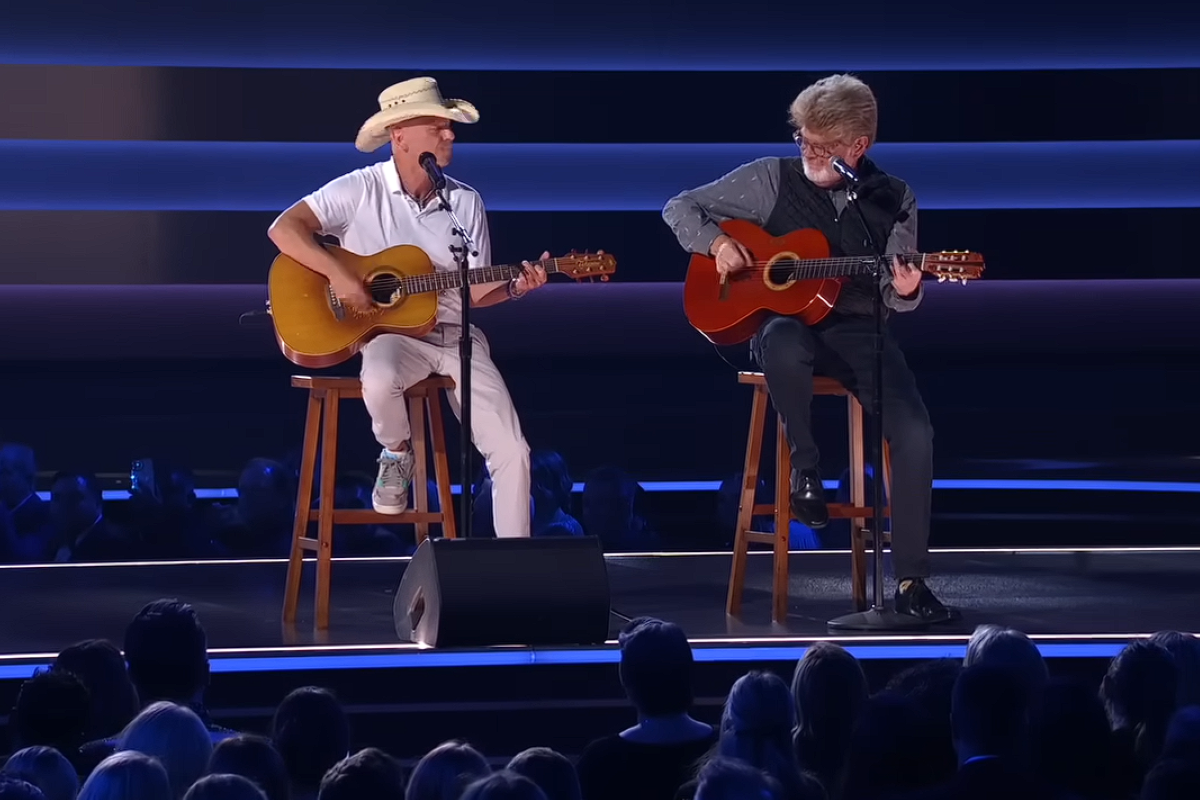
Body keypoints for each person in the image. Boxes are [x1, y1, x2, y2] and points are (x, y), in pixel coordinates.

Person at [662, 73, 956, 622]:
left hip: (860, 332)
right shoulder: (769, 180)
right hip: (786, 330)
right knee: (780, 339)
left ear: (857, 147)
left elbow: (895, 292)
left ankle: (912, 582)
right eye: (802, 139)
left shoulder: (894, 198)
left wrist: (909, 289)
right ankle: (805, 468)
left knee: (916, 430)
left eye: (819, 146)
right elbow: (679, 207)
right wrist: (719, 243)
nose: (806, 152)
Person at [268, 77, 545, 536]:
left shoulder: (464, 202)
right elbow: (284, 229)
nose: (450, 135)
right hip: (392, 336)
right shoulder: (360, 190)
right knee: (378, 374)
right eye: (437, 126)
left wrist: (517, 287)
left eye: (449, 127)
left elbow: (477, 293)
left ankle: (516, 566)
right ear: (399, 136)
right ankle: (396, 451)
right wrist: (340, 275)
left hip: (457, 337)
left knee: (513, 450)